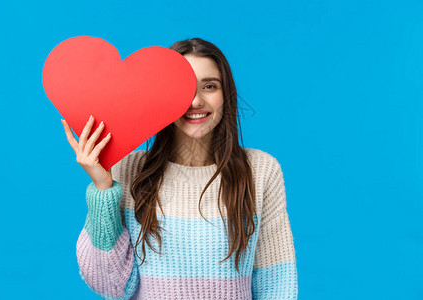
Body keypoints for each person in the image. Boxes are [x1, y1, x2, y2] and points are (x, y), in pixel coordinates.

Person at [61, 37, 298, 299]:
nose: (196, 101)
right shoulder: (129, 169)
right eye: (183, 88)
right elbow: (111, 286)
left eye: (209, 86)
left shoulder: (260, 170)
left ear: (225, 94)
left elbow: (277, 285)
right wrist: (102, 188)